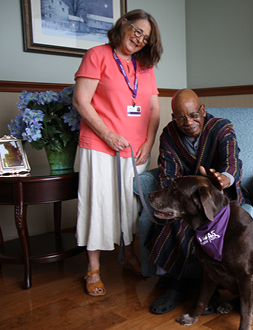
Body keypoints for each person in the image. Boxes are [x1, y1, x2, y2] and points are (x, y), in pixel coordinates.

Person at [73, 9, 163, 297]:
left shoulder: (144, 66)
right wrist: (108, 135)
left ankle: (128, 256)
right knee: (97, 204)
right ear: (123, 24)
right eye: (137, 31)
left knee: (129, 205)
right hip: (100, 145)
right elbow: (81, 101)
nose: (139, 40)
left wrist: (148, 143)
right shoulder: (96, 55)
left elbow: (154, 109)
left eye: (145, 38)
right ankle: (94, 268)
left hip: (135, 150)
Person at [147, 88, 247, 314]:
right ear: (174, 118)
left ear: (203, 110)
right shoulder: (169, 134)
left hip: (220, 197)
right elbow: (167, 174)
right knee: (172, 220)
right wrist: (178, 200)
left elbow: (233, 160)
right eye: (181, 117)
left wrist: (222, 179)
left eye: (193, 115)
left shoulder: (222, 128)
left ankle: (209, 289)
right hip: (184, 200)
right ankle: (178, 284)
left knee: (209, 224)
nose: (188, 122)